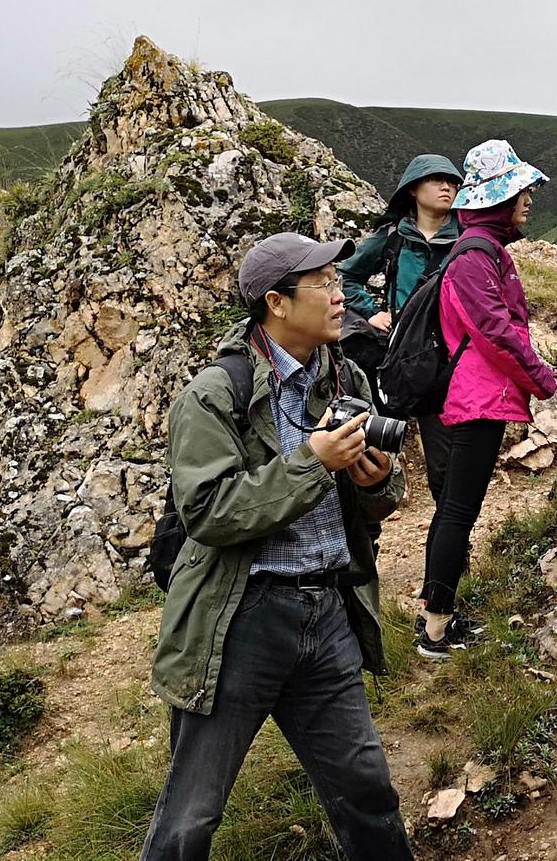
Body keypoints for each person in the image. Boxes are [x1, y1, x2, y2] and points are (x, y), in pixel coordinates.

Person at [144, 232, 411, 859]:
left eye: (339, 281)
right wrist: (314, 463)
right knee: (191, 816)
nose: (342, 295)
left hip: (327, 614)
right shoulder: (214, 393)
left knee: (366, 789)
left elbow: (380, 499)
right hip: (241, 620)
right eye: (325, 284)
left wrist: (376, 483)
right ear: (278, 303)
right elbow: (210, 511)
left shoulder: (344, 373)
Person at [418, 140, 557, 660]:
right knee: (458, 509)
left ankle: (437, 617)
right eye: (520, 191)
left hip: (480, 395)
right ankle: (434, 627)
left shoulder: (481, 251)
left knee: (458, 507)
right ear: (497, 199)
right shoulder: (476, 255)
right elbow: (494, 331)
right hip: (478, 397)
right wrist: (542, 377)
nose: (528, 200)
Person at [338, 153, 462, 497]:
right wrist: (369, 312)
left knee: (445, 457)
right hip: (400, 352)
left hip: (448, 356)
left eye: (452, 181)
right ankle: (383, 498)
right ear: (413, 188)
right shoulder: (392, 237)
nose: (446, 187)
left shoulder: (465, 237)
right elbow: (347, 276)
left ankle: (448, 524)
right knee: (383, 437)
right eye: (435, 179)